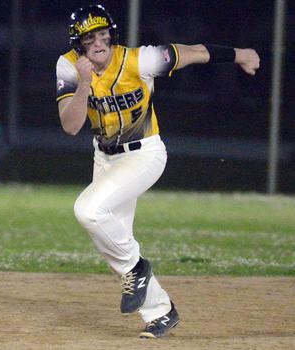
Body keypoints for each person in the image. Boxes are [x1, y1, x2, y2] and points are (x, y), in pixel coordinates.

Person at [56, 4, 260, 339]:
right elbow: (70, 125)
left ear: (112, 34)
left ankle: (138, 268)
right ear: (78, 43)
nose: (98, 43)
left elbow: (192, 52)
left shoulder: (140, 60)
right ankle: (162, 312)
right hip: (104, 157)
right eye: (89, 37)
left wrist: (241, 54)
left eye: (103, 34)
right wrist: (83, 84)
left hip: (144, 155)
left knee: (88, 211)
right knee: (112, 239)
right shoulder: (68, 66)